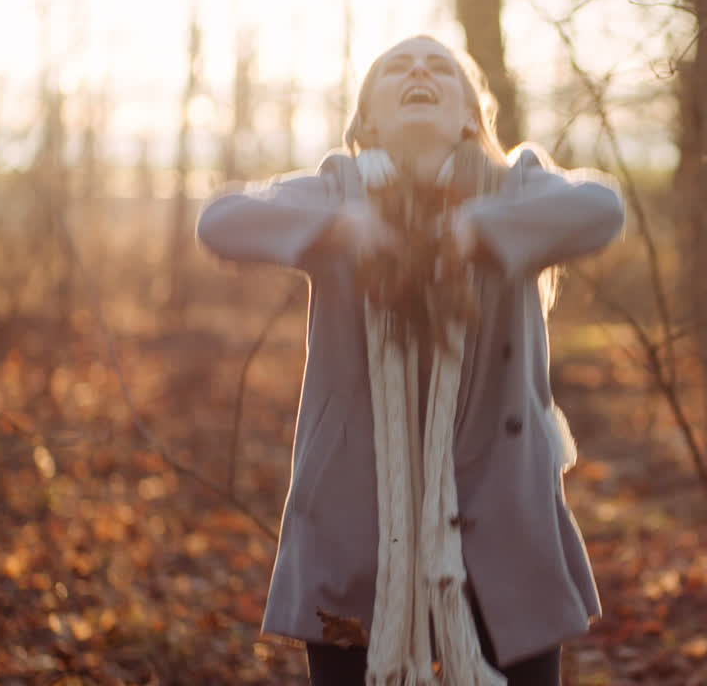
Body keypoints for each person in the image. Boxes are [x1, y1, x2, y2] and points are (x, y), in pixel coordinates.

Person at [196, 35, 625, 686]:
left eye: (441, 69)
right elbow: (220, 220)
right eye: (398, 67)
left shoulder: (516, 186)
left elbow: (602, 208)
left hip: (504, 519)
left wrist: (478, 229)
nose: (420, 71)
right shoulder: (337, 190)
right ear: (367, 118)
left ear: (467, 115)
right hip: (354, 522)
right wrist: (343, 226)